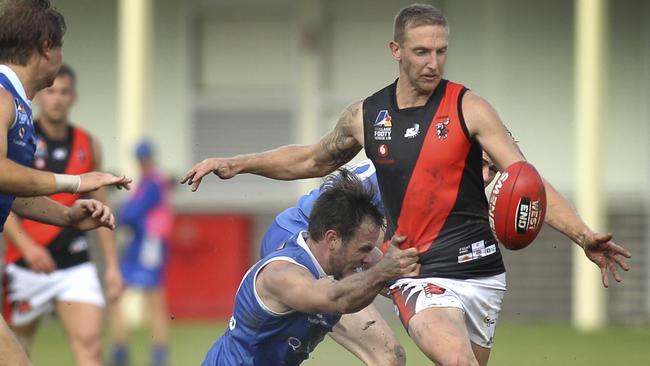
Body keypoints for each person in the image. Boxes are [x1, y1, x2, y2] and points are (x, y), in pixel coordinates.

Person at [182, 4, 631, 365]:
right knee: (423, 356)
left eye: (441, 51)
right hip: (396, 263)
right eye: (421, 52)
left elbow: (526, 180)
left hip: (476, 274)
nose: (433, 63)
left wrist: (583, 235)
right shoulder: (368, 117)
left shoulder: (470, 109)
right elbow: (312, 159)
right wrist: (237, 162)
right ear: (396, 50)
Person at [0, 1, 130, 365]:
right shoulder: (1, 95)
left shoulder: (15, 102)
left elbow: (9, 190)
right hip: (24, 267)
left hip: (72, 264)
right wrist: (75, 182)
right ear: (46, 47)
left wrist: (67, 217)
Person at [202, 169, 419, 366]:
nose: (369, 259)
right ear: (332, 239)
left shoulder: (341, 257)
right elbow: (336, 300)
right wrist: (383, 271)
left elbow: (396, 274)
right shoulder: (282, 274)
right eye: (363, 249)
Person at [109, 140, 174, 366]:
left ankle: (151, 353)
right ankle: (130, 350)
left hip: (148, 244)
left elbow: (131, 214)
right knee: (145, 297)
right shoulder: (152, 181)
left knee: (151, 298)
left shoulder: (152, 183)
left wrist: (120, 214)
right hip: (144, 243)